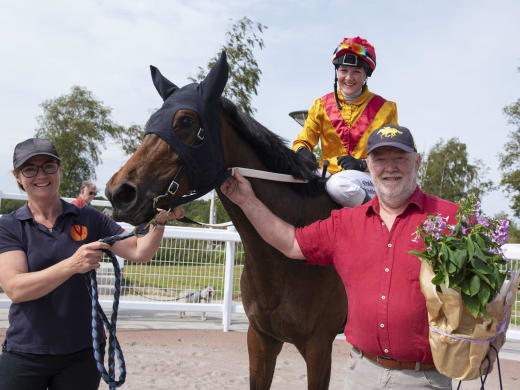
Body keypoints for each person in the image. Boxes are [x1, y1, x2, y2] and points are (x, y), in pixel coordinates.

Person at [221, 124, 497, 389]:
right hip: (361, 375)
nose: (389, 168)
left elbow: (493, 289)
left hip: (423, 380)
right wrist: (247, 201)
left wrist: (490, 343)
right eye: (380, 159)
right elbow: (291, 242)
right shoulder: (345, 223)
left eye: (399, 158)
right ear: (369, 165)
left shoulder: (452, 219)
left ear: (417, 162)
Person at [0, 138, 183, 390]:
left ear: (60, 169)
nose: (40, 175)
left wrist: (160, 220)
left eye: (48, 166)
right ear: (18, 177)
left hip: (82, 352)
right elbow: (16, 288)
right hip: (26, 351)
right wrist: (73, 264)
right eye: (30, 169)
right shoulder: (9, 226)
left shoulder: (89, 218)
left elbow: (139, 251)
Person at [292, 36, 398, 207]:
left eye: (356, 71)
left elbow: (391, 152)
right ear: (337, 72)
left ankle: (376, 217)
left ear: (366, 75)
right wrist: (302, 152)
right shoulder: (320, 104)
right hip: (328, 172)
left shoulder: (385, 108)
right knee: (291, 178)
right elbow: (302, 141)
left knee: (338, 185)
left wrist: (363, 164)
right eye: (343, 70)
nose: (349, 78)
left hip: (368, 176)